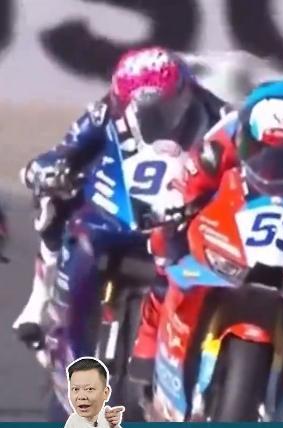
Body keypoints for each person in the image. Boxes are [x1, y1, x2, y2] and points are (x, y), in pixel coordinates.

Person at [128, 80, 283, 418]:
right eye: (264, 153)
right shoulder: (222, 139)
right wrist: (176, 208)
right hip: (225, 211)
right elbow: (190, 180)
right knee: (165, 245)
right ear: (247, 139)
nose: (274, 165)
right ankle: (148, 344)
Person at [12, 46, 231, 350]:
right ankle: (42, 294)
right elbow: (66, 150)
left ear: (186, 94)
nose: (151, 118)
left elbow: (248, 162)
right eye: (139, 108)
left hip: (183, 214)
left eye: (162, 108)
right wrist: (47, 170)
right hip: (116, 203)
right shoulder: (106, 111)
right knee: (53, 198)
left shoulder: (219, 115)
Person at [62, 357, 127, 428]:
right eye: (75, 389)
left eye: (89, 389)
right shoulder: (73, 420)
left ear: (105, 393)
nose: (81, 397)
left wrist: (114, 426)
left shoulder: (106, 417)